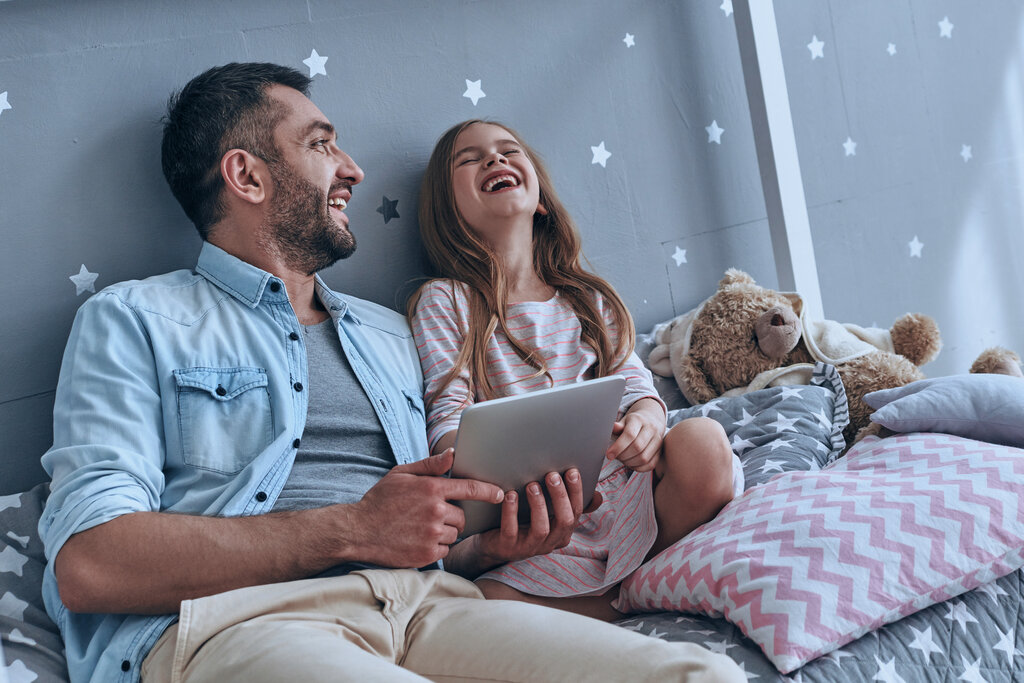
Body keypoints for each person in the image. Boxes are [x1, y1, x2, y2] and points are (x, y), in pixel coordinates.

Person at [38, 63, 745, 683]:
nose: (353, 168)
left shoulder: (389, 332)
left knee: (701, 673)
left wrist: (491, 543)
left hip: (431, 608)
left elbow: (436, 533)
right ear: (246, 175)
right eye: (320, 144)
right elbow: (91, 563)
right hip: (246, 624)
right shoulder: (133, 318)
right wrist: (350, 528)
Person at [410, 119, 744, 621]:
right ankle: (625, 596)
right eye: (471, 158)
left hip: (626, 493)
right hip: (536, 518)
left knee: (705, 443)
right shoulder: (446, 301)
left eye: (507, 151)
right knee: (489, 606)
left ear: (540, 198)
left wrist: (648, 421)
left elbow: (634, 380)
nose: (495, 160)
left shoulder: (583, 297)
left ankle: (634, 581)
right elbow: (447, 408)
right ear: (448, 211)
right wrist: (473, 464)